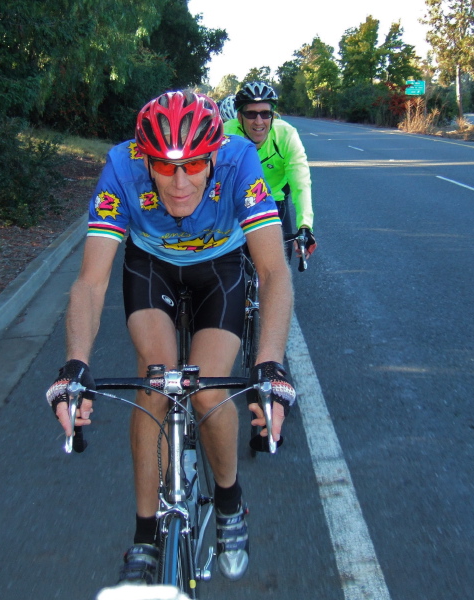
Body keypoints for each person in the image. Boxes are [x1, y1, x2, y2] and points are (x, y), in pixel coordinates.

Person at [46, 91, 296, 586]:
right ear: (145, 159)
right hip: (152, 268)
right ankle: (143, 537)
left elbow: (272, 271)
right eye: (164, 167)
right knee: (155, 383)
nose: (180, 184)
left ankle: (229, 503)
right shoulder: (122, 165)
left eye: (194, 166)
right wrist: (74, 364)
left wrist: (269, 363)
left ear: (213, 155)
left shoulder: (240, 159)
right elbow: (91, 281)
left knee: (208, 389)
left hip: (219, 270)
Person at [224, 82, 317, 260]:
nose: (259, 121)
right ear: (239, 116)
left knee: (279, 265)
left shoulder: (286, 135)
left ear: (273, 116)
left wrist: (305, 226)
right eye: (251, 114)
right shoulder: (227, 133)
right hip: (234, 201)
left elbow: (301, 182)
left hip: (274, 202)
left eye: (265, 114)